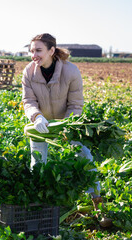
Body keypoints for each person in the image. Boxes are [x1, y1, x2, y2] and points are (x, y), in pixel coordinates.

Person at [21, 33, 112, 227]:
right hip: (40, 126)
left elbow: (76, 104)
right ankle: (38, 207)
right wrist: (36, 117)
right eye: (31, 51)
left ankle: (98, 206)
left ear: (52, 51)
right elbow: (28, 100)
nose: (33, 55)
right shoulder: (29, 72)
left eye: (38, 50)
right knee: (36, 164)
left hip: (66, 125)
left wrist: (67, 126)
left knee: (85, 158)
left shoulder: (70, 71)